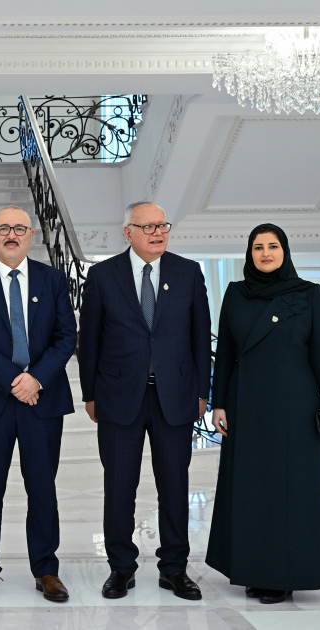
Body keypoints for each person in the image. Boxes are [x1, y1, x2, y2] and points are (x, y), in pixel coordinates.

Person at [206, 224, 320, 605]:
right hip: (245, 404)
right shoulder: (235, 293)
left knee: (292, 491)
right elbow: (226, 355)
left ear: (284, 250)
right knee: (250, 490)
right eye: (257, 247)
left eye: (272, 246)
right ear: (249, 253)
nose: (265, 253)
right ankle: (254, 569)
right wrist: (218, 404)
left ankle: (285, 574)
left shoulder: (309, 294)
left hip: (295, 407)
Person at [78, 201, 210, 601]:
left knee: (175, 486)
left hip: (175, 396)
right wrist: (90, 394)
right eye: (148, 226)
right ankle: (121, 568)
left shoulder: (188, 272)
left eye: (162, 226)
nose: (158, 233)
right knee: (119, 487)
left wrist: (202, 391)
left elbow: (200, 336)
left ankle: (174, 569)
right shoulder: (102, 276)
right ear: (128, 232)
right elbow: (89, 340)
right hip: (118, 397)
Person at [0, 206, 78, 603]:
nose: (12, 234)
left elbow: (66, 336)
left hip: (42, 398)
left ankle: (46, 569)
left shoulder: (53, 279)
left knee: (42, 487)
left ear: (31, 235)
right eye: (4, 228)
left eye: (20, 228)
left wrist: (35, 378)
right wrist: (13, 380)